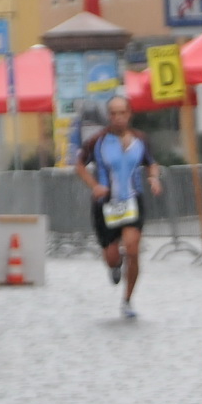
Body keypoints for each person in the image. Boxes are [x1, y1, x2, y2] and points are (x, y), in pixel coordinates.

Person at [76, 94, 162, 319]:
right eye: (113, 113)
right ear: (109, 116)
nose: (118, 118)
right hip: (105, 205)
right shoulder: (97, 141)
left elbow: (152, 164)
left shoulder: (140, 139)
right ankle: (115, 265)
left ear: (129, 114)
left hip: (132, 201)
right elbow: (79, 164)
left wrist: (154, 178)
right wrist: (94, 186)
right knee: (113, 256)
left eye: (122, 113)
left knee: (133, 249)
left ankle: (127, 300)